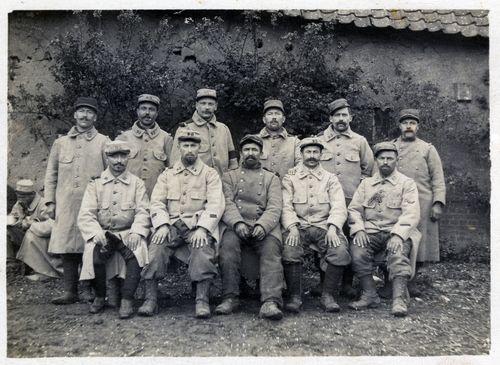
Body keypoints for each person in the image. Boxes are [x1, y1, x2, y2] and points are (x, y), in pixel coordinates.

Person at [147, 129, 225, 318]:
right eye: (185, 145)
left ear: (199, 148)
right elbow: (157, 202)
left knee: (202, 248)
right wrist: (163, 224)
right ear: (179, 148)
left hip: (197, 225)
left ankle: (201, 300)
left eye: (193, 145)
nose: (189, 149)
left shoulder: (210, 174)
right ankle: (150, 299)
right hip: (171, 224)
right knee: (155, 247)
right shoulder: (168, 174)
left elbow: (215, 203)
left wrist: (202, 228)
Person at [44, 97, 109, 304]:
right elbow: (51, 174)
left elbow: (109, 175)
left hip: (92, 204)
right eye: (81, 111)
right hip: (65, 204)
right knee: (67, 247)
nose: (84, 115)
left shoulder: (103, 142)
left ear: (95, 117)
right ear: (74, 115)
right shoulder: (60, 143)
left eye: (89, 112)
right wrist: (50, 202)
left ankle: (88, 288)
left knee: (89, 245)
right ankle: (70, 291)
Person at [78, 141, 151, 318]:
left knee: (137, 253)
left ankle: (127, 299)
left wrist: (137, 231)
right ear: (107, 157)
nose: (119, 161)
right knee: (94, 256)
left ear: (128, 158)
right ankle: (100, 296)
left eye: (123, 156)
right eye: (114, 156)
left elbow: (143, 211)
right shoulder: (95, 184)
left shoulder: (137, 183)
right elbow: (86, 213)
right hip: (103, 232)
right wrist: (96, 233)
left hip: (127, 232)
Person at [215, 135, 284, 320]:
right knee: (227, 248)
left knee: (271, 249)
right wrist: (237, 223)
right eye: (247, 150)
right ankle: (230, 297)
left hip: (264, 225)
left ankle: (270, 301)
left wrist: (263, 225)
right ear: (240, 153)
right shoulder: (229, 177)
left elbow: (275, 206)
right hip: (237, 224)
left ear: (261, 154)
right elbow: (226, 203)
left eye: (255, 150)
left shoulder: (271, 178)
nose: (250, 153)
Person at [348, 142, 420, 317]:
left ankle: (399, 300)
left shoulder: (406, 183)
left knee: (398, 254)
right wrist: (358, 229)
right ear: (376, 160)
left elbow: (411, 213)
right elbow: (354, 210)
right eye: (382, 158)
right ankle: (370, 295)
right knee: (357, 253)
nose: (385, 162)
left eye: (390, 158)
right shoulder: (366, 184)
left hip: (395, 232)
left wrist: (398, 235)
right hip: (370, 231)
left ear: (396, 160)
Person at [281, 137, 351, 313]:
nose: (311, 156)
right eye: (308, 152)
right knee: (290, 250)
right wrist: (292, 227)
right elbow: (285, 206)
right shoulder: (290, 177)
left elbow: (339, 206)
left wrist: (334, 228)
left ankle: (328, 295)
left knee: (339, 251)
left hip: (324, 226)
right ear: (301, 154)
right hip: (300, 226)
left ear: (321, 154)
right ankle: (295, 296)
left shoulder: (330, 179)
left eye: (315, 152)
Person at [317, 98, 374, 298]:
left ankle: (347, 284)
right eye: (337, 115)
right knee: (326, 239)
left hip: (352, 201)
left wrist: (360, 193)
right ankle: (324, 283)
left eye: (345, 115)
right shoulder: (319, 141)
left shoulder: (360, 141)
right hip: (325, 202)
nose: (341, 119)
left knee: (350, 240)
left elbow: (369, 170)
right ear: (331, 118)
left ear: (350, 117)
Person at [392, 109, 446, 264]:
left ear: (418, 127)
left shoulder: (428, 149)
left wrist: (437, 203)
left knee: (420, 244)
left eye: (412, 123)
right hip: (396, 201)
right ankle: (396, 279)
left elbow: (438, 178)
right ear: (399, 126)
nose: (409, 126)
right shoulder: (390, 147)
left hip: (422, 202)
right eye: (405, 123)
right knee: (397, 237)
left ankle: (414, 281)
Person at [169, 88, 238, 176]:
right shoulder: (185, 128)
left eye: (210, 104)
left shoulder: (223, 129)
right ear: (196, 105)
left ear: (216, 106)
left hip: (221, 182)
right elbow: (175, 162)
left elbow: (233, 161)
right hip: (195, 183)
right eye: (203, 103)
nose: (207, 107)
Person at [115, 94, 173, 196]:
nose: (147, 113)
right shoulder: (124, 137)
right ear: (137, 111)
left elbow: (173, 171)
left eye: (151, 109)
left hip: (155, 197)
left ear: (156, 113)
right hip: (127, 195)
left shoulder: (166, 138)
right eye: (143, 109)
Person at [8, 179, 62, 280]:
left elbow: (53, 226)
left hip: (48, 240)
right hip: (30, 235)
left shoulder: (43, 205)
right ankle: (11, 263)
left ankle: (44, 271)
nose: (20, 199)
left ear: (31, 195)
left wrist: (32, 223)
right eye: (18, 195)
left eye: (22, 196)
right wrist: (17, 218)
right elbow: (14, 217)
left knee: (30, 235)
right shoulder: (21, 203)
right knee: (7, 231)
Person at [258, 99, 301, 180]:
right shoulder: (254, 141)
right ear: (264, 119)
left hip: (286, 189)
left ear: (283, 119)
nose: (274, 117)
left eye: (277, 114)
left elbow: (301, 165)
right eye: (270, 114)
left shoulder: (295, 142)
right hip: (259, 190)